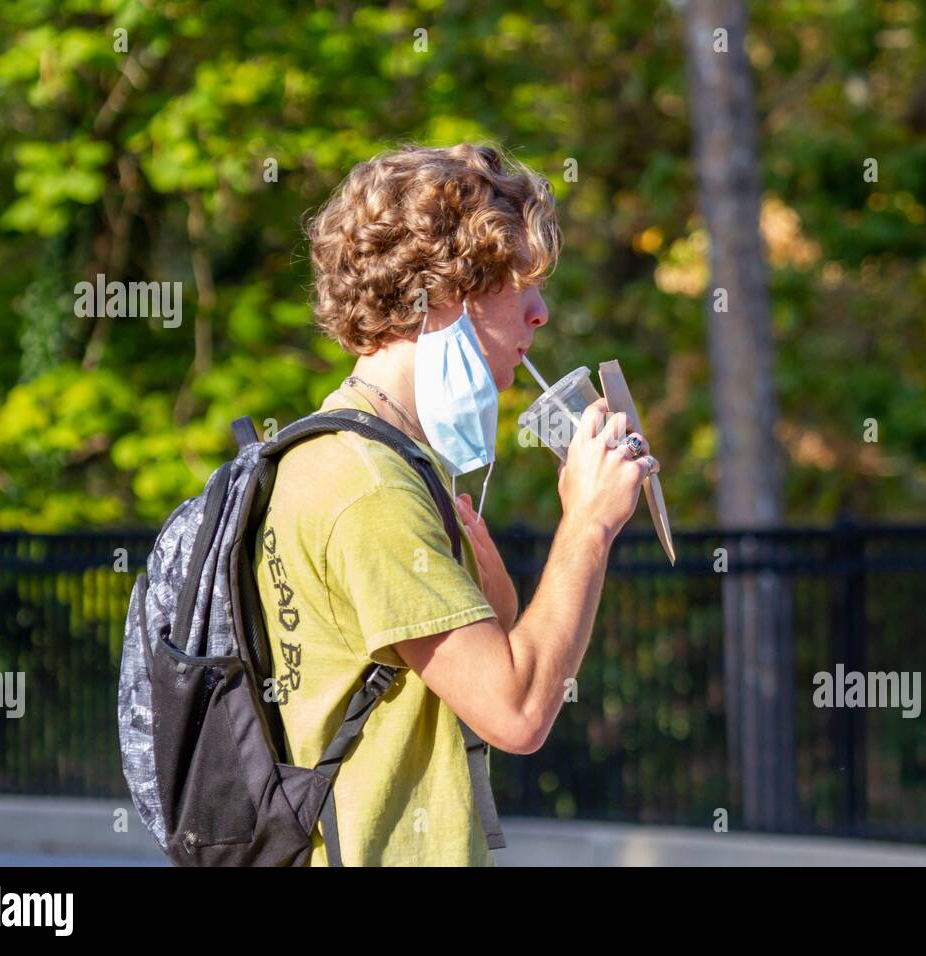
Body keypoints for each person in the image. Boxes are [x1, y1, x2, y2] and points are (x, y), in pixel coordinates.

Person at [254, 143, 658, 866]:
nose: (539, 314)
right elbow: (518, 711)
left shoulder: (366, 458)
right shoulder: (368, 488)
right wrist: (590, 525)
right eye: (515, 283)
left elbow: (488, 664)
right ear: (435, 296)